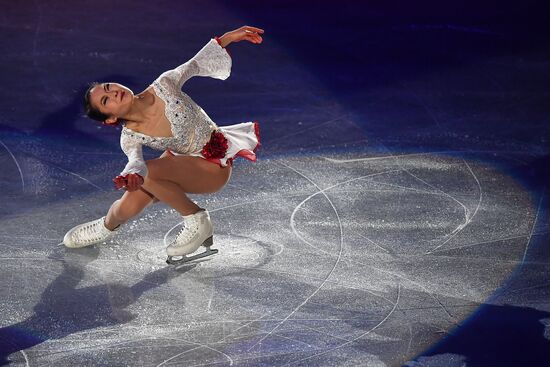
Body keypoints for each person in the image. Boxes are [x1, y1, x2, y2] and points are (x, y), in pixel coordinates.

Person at [63, 26, 264, 262]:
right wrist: (132, 176)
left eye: (109, 87)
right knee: (127, 204)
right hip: (182, 167)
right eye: (106, 100)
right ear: (110, 119)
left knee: (150, 173)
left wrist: (229, 38)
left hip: (214, 168)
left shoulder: (164, 84)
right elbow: (135, 161)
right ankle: (105, 226)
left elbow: (195, 63)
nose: (114, 93)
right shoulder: (130, 137)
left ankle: (197, 220)